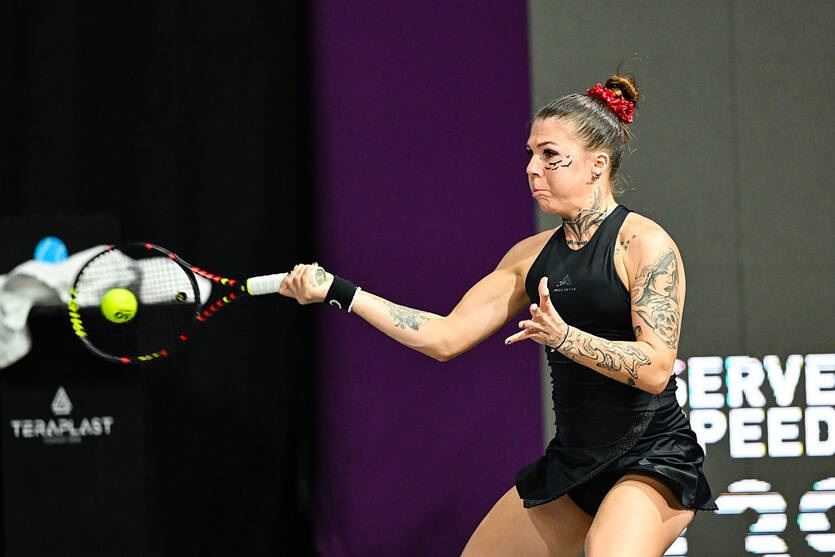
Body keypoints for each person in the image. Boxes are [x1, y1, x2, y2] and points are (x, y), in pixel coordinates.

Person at [280, 74, 716, 557]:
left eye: (550, 155)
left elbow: (655, 370)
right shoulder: (529, 257)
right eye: (530, 153)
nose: (532, 168)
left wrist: (566, 338)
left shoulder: (645, 245)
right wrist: (340, 291)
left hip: (652, 459)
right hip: (574, 463)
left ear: (597, 165)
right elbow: (445, 337)